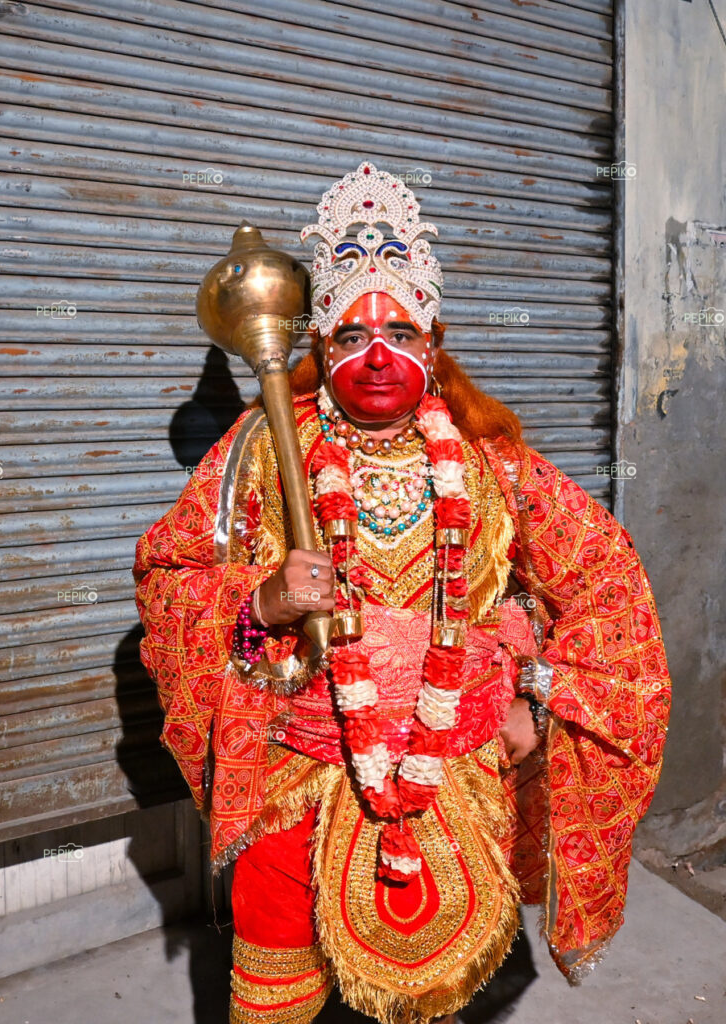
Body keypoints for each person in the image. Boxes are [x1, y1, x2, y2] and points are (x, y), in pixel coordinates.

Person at [133, 162, 671, 1024]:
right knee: (276, 984)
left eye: (399, 332)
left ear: (431, 344)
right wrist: (264, 599)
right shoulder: (262, 450)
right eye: (351, 335)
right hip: (300, 770)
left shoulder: (490, 464)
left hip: (452, 767)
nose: (377, 355)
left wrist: (534, 686)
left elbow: (605, 580)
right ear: (320, 347)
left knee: (434, 988)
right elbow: (168, 575)